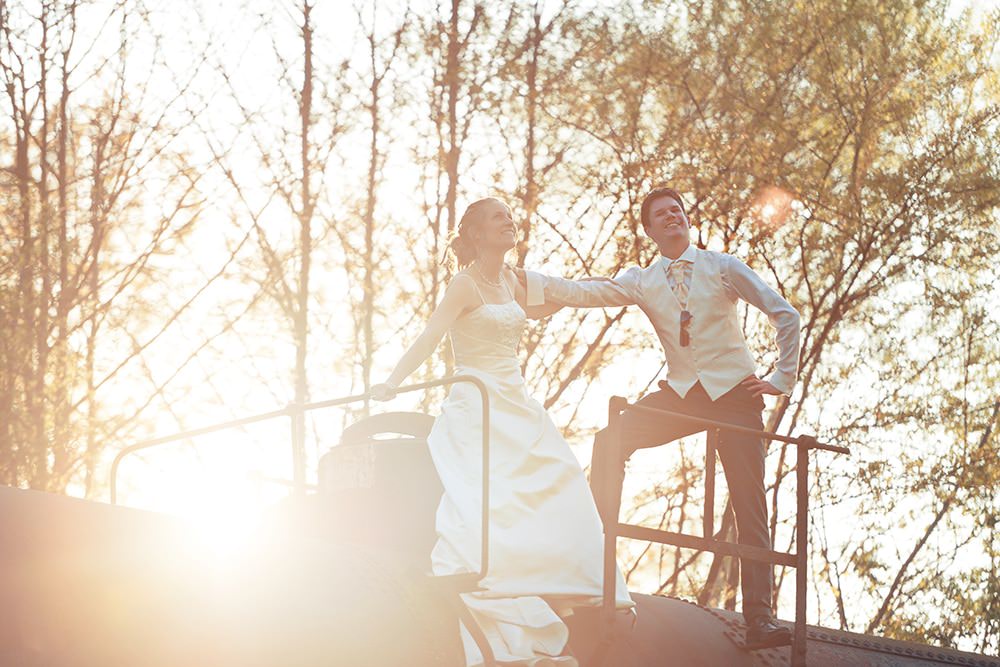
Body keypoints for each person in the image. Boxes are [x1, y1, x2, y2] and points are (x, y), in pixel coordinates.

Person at [517, 187, 799, 649]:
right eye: (661, 215)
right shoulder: (642, 279)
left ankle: (760, 620)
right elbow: (586, 292)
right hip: (683, 394)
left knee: (749, 499)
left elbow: (785, 315)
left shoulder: (724, 267)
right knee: (612, 438)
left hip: (734, 396)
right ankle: (594, 565)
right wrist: (529, 283)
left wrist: (779, 377)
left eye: (677, 211)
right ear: (649, 230)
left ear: (686, 220)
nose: (672, 218)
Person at [371, 197, 634, 667]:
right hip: (478, 403)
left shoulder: (512, 281)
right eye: (498, 217)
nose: (509, 221)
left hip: (518, 401)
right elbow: (431, 336)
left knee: (560, 473)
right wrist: (393, 381)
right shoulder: (464, 284)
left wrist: (632, 287)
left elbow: (561, 299)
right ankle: (499, 578)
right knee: (493, 497)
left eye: (510, 216)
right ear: (475, 234)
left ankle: (569, 576)